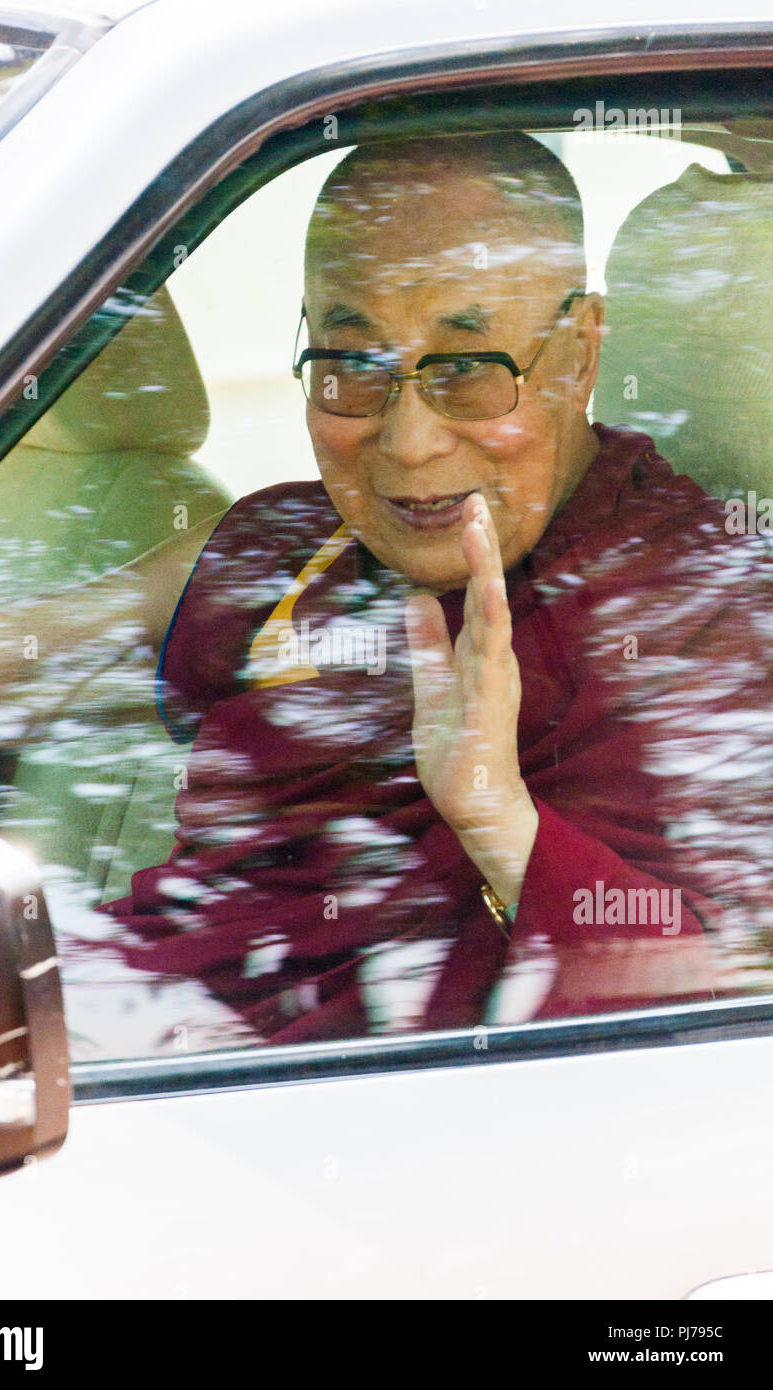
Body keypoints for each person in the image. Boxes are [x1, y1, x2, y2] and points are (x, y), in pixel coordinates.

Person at [68, 133, 773, 1042]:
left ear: (579, 353)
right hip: (137, 1047)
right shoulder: (291, 547)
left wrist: (493, 816)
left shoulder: (699, 612)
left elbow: (714, 1017)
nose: (407, 445)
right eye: (353, 368)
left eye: (466, 371)